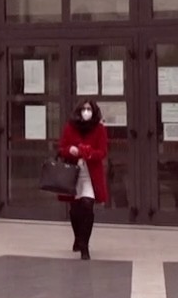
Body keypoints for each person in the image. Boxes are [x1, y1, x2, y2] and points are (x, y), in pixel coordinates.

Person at [56, 99, 109, 259]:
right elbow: (62, 148)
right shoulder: (70, 127)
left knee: (87, 205)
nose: (86, 112)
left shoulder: (99, 129)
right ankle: (77, 237)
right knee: (75, 209)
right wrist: (70, 150)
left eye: (89, 109)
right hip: (73, 173)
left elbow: (102, 152)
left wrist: (89, 152)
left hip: (90, 174)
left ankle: (85, 246)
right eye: (84, 109)